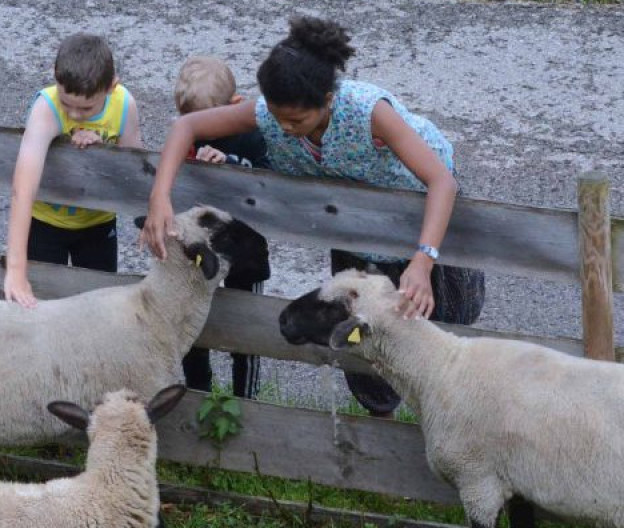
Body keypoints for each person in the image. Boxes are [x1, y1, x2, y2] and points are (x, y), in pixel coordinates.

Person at [141, 17, 484, 416]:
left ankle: (456, 418)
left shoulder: (369, 112)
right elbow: (186, 126)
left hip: (425, 216)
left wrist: (424, 260)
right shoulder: (270, 113)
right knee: (361, 334)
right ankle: (380, 427)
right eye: (277, 117)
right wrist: (159, 197)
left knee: (445, 324)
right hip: (352, 222)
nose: (285, 128)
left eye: (297, 120)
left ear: (327, 99)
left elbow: (441, 181)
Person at [5, 33, 143, 308]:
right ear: (55, 78)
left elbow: (134, 167)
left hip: (98, 223)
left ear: (111, 87)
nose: (75, 114)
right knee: (40, 305)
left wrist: (102, 150)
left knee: (99, 304)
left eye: (86, 108)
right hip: (45, 223)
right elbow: (23, 187)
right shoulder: (47, 107)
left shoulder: (124, 105)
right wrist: (16, 270)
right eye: (66, 103)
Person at [174, 55, 271, 399]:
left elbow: (269, 180)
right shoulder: (186, 135)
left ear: (234, 105)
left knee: (247, 323)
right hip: (201, 243)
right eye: (190, 121)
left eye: (207, 122)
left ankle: (247, 399)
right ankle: (199, 393)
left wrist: (230, 164)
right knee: (191, 316)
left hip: (246, 245)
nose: (199, 130)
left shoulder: (250, 136)